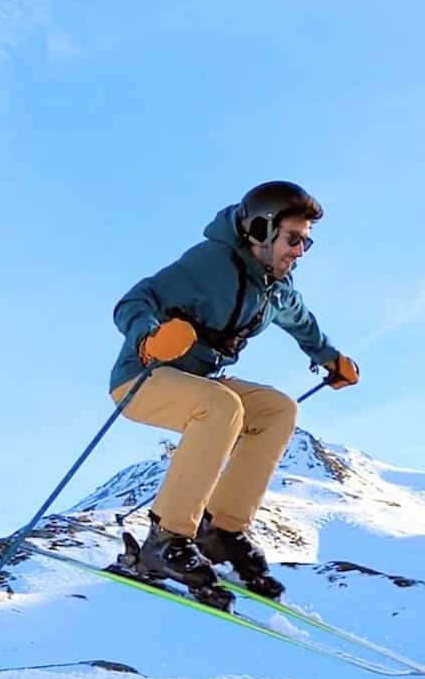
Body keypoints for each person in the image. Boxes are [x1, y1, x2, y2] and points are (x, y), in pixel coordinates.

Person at [109, 180, 359, 601]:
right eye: (293, 239)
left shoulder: (276, 288)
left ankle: (222, 532)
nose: (299, 251)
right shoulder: (210, 264)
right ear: (259, 231)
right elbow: (135, 300)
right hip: (141, 378)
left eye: (305, 244)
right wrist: (148, 339)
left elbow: (302, 323)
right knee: (220, 405)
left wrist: (331, 358)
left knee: (275, 410)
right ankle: (166, 540)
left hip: (199, 385)